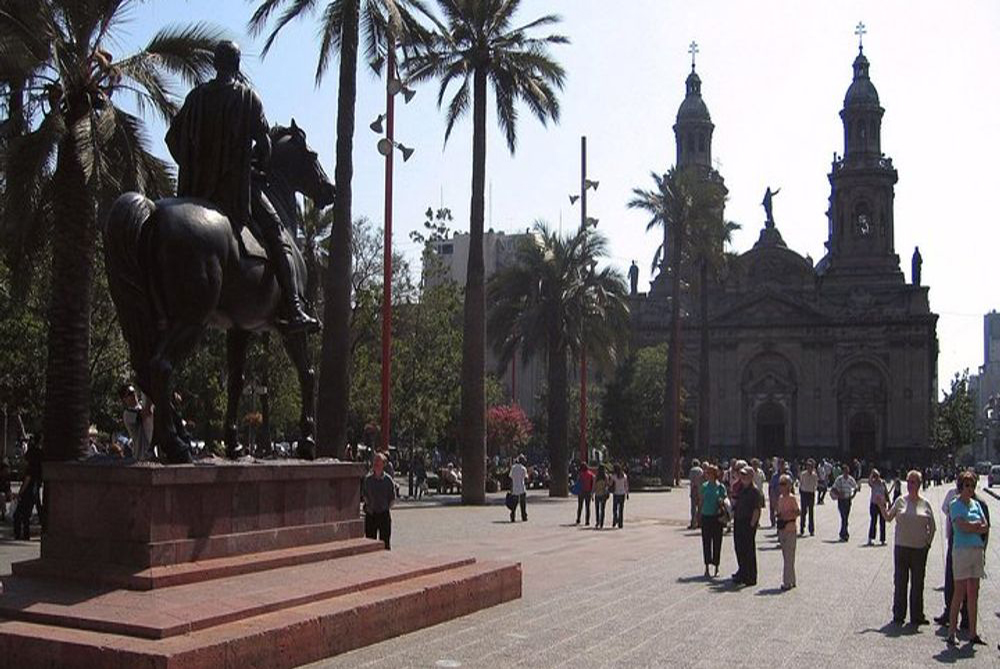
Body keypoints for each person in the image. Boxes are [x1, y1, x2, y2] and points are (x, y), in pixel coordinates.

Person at [165, 40, 318, 333]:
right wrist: (256, 166)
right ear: (236, 65)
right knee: (277, 233)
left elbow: (172, 139)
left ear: (215, 64)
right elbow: (264, 145)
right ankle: (295, 308)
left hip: (195, 191)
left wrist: (194, 166)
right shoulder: (247, 97)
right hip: (234, 191)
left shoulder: (196, 96)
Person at [877, 470, 935, 626]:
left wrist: (927, 544)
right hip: (901, 547)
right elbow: (888, 517)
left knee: (918, 583)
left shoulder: (925, 504)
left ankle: (917, 615)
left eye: (913, 482)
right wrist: (881, 505)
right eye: (908, 481)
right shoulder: (900, 501)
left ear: (919, 484)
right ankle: (899, 614)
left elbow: (932, 527)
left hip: (919, 549)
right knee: (900, 582)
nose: (910, 485)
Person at [946, 471, 988, 646]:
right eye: (967, 485)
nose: (970, 489)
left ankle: (973, 632)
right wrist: (974, 526)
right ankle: (952, 631)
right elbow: (960, 526)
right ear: (960, 487)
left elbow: (985, 526)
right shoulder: (955, 504)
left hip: (976, 550)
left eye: (972, 486)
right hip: (962, 550)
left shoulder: (976, 504)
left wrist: (972, 527)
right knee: (960, 591)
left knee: (974, 592)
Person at [732, 466, 763, 586]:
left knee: (749, 550)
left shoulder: (754, 491)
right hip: (738, 521)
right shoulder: (741, 488)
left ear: (751, 476)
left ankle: (751, 576)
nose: (743, 477)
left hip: (748, 522)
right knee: (739, 548)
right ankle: (742, 572)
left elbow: (757, 509)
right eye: (742, 474)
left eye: (745, 475)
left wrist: (752, 524)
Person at [362, 453, 395, 549]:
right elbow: (364, 495)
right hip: (371, 514)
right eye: (374, 461)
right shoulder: (368, 480)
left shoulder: (388, 480)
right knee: (370, 542)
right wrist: (368, 505)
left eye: (378, 461)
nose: (375, 463)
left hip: (384, 515)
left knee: (385, 542)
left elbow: (392, 498)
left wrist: (385, 508)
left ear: (383, 464)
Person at [12, 436, 43, 540]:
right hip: (33, 493)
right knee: (26, 516)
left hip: (27, 494)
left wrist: (20, 493)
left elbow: (26, 481)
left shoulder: (30, 469)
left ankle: (18, 534)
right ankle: (25, 535)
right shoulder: (36, 470)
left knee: (18, 515)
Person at [700, 465, 727, 578]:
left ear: (715, 474)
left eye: (710, 473)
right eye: (707, 473)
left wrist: (721, 502)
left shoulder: (720, 487)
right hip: (706, 516)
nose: (708, 475)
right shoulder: (704, 486)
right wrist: (698, 514)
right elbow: (701, 500)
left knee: (717, 541)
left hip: (717, 517)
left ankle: (716, 566)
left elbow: (725, 502)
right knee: (706, 541)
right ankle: (706, 566)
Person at [776, 474, 800, 590]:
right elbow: (779, 512)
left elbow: (797, 512)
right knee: (786, 556)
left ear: (789, 485)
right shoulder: (780, 498)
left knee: (789, 556)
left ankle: (786, 582)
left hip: (790, 528)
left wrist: (788, 515)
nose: (781, 486)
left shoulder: (792, 498)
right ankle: (792, 580)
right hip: (782, 529)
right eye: (780, 484)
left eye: (784, 484)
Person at [120, 384, 154, 461]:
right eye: (130, 393)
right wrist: (148, 392)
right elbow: (146, 413)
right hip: (141, 455)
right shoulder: (127, 414)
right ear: (124, 399)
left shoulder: (142, 405)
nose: (134, 395)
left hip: (152, 452)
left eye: (134, 392)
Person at [831, 466, 858, 541]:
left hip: (848, 499)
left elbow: (856, 487)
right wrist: (839, 494)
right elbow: (833, 488)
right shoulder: (839, 479)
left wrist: (853, 495)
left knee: (846, 517)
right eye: (845, 471)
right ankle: (845, 534)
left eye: (847, 471)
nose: (846, 473)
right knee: (843, 517)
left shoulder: (850, 479)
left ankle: (843, 533)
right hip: (841, 500)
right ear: (843, 472)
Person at [798, 459, 817, 536]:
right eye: (808, 466)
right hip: (804, 493)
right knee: (803, 512)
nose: (810, 468)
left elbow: (815, 484)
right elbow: (801, 483)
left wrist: (813, 490)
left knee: (811, 512)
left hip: (811, 493)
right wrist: (801, 491)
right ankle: (802, 528)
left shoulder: (815, 475)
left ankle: (811, 530)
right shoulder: (803, 474)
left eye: (811, 466)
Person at [868, 469, 887, 545]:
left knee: (882, 522)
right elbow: (869, 481)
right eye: (875, 476)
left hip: (882, 504)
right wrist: (872, 473)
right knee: (873, 521)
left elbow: (886, 493)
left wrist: (888, 502)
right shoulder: (873, 483)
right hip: (874, 504)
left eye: (877, 475)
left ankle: (882, 539)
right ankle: (871, 538)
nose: (876, 477)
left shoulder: (883, 482)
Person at [508, 455, 528, 522]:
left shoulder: (513, 468)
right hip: (522, 488)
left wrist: (511, 488)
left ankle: (512, 516)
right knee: (523, 504)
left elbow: (510, 478)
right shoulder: (523, 468)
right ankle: (524, 516)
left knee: (514, 504)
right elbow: (525, 478)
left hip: (515, 488)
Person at [611, 464, 629, 529]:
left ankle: (615, 519)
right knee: (621, 509)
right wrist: (627, 493)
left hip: (616, 493)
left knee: (615, 509)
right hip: (622, 494)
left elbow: (610, 484)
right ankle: (620, 523)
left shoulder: (614, 476)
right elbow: (626, 485)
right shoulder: (624, 476)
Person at [688, 459, 704, 529]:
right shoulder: (701, 470)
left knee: (693, 508)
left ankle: (693, 523)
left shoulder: (692, 470)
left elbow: (691, 480)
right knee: (700, 507)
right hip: (700, 490)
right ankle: (700, 522)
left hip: (694, 489)